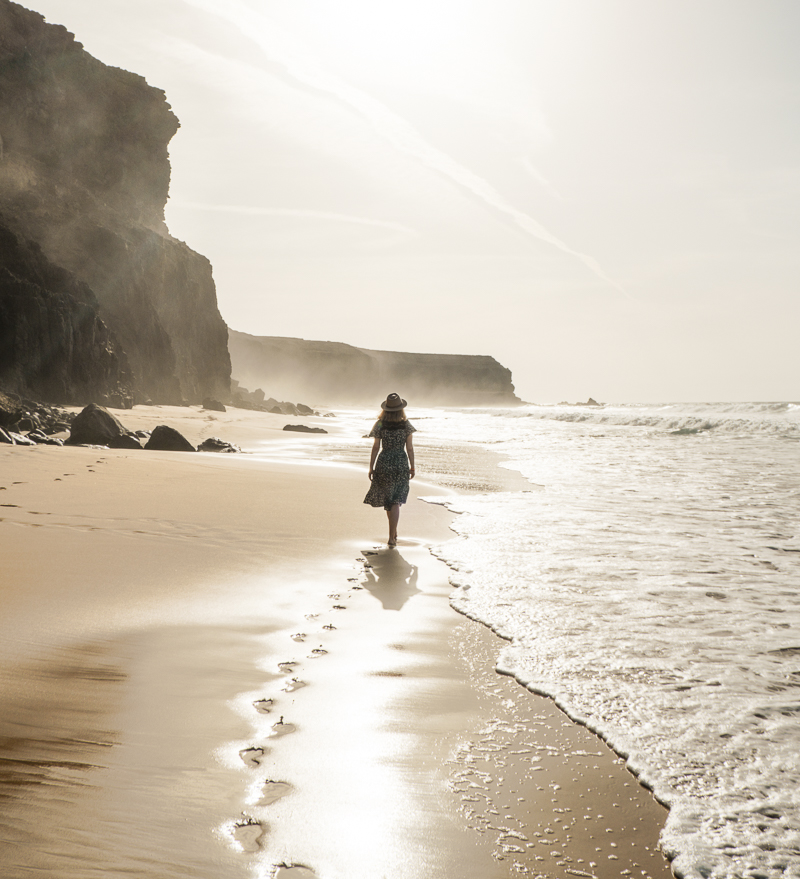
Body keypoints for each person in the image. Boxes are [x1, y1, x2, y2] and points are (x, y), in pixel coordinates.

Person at [363, 393, 416, 546]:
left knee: (389, 499)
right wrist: (412, 466)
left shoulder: (380, 424)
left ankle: (393, 534)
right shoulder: (406, 425)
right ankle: (392, 536)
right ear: (401, 409)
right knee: (395, 500)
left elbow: (375, 447)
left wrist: (371, 467)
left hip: (384, 461)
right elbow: (410, 448)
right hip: (400, 462)